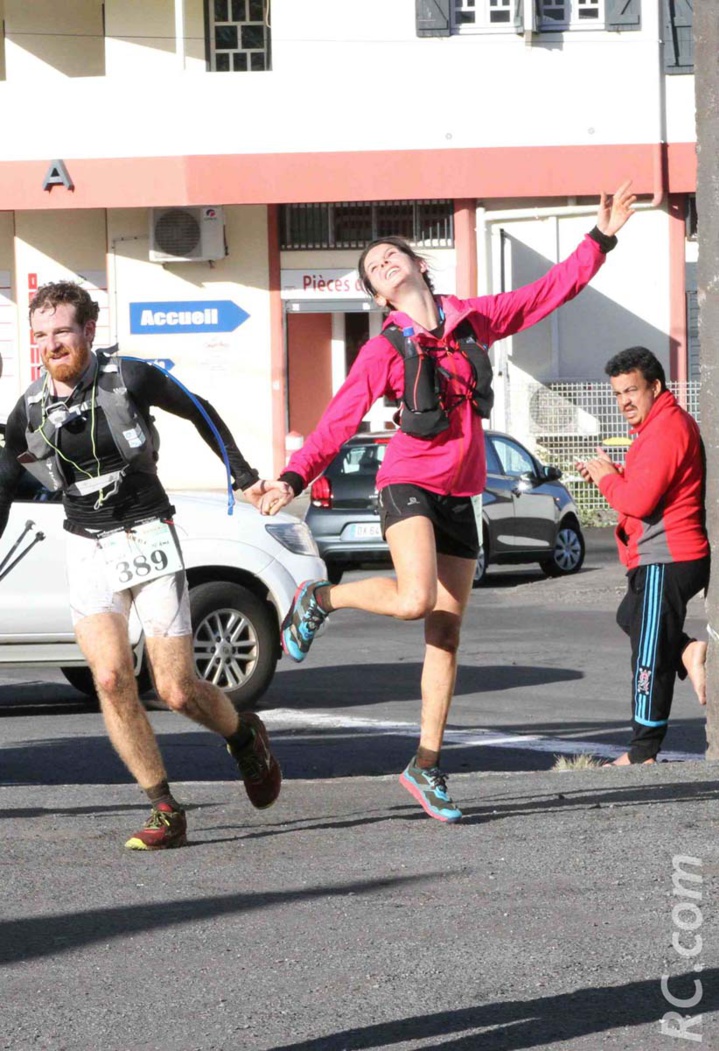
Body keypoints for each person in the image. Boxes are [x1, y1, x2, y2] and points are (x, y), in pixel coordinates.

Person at [247, 181, 637, 822]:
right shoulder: (384, 349)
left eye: (389, 255)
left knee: (446, 631)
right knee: (414, 596)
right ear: (376, 296)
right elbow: (339, 421)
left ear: (419, 265)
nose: (382, 263)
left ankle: (426, 765)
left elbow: (549, 293)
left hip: (463, 491)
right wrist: (291, 479)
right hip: (408, 481)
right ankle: (321, 597)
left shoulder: (474, 320)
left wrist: (601, 238)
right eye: (373, 267)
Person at [0, 281, 284, 850]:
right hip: (88, 545)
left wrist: (246, 477)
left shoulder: (129, 377)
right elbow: (5, 485)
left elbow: (202, 413)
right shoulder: (28, 410)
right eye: (41, 335)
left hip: (148, 533)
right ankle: (163, 807)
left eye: (62, 331)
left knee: (176, 689)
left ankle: (243, 734)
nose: (52, 344)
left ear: (87, 331)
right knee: (109, 678)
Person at [576, 347, 709, 766]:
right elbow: (647, 485)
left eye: (632, 390)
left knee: (648, 653)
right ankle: (688, 650)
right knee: (631, 619)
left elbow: (641, 499)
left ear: (655, 386)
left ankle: (642, 752)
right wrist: (615, 473)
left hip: (667, 557)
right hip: (659, 557)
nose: (625, 401)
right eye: (618, 394)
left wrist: (609, 481)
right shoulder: (655, 429)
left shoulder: (667, 428)